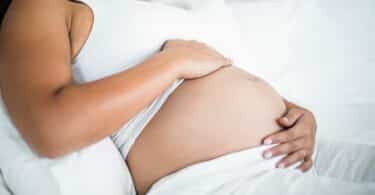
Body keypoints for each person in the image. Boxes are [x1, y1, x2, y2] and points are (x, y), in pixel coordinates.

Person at [0, 0, 373, 195]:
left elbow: (212, 72)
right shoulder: (40, 6)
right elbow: (52, 129)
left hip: (299, 151)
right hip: (223, 180)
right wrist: (173, 62)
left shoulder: (157, 7)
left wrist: (294, 112)